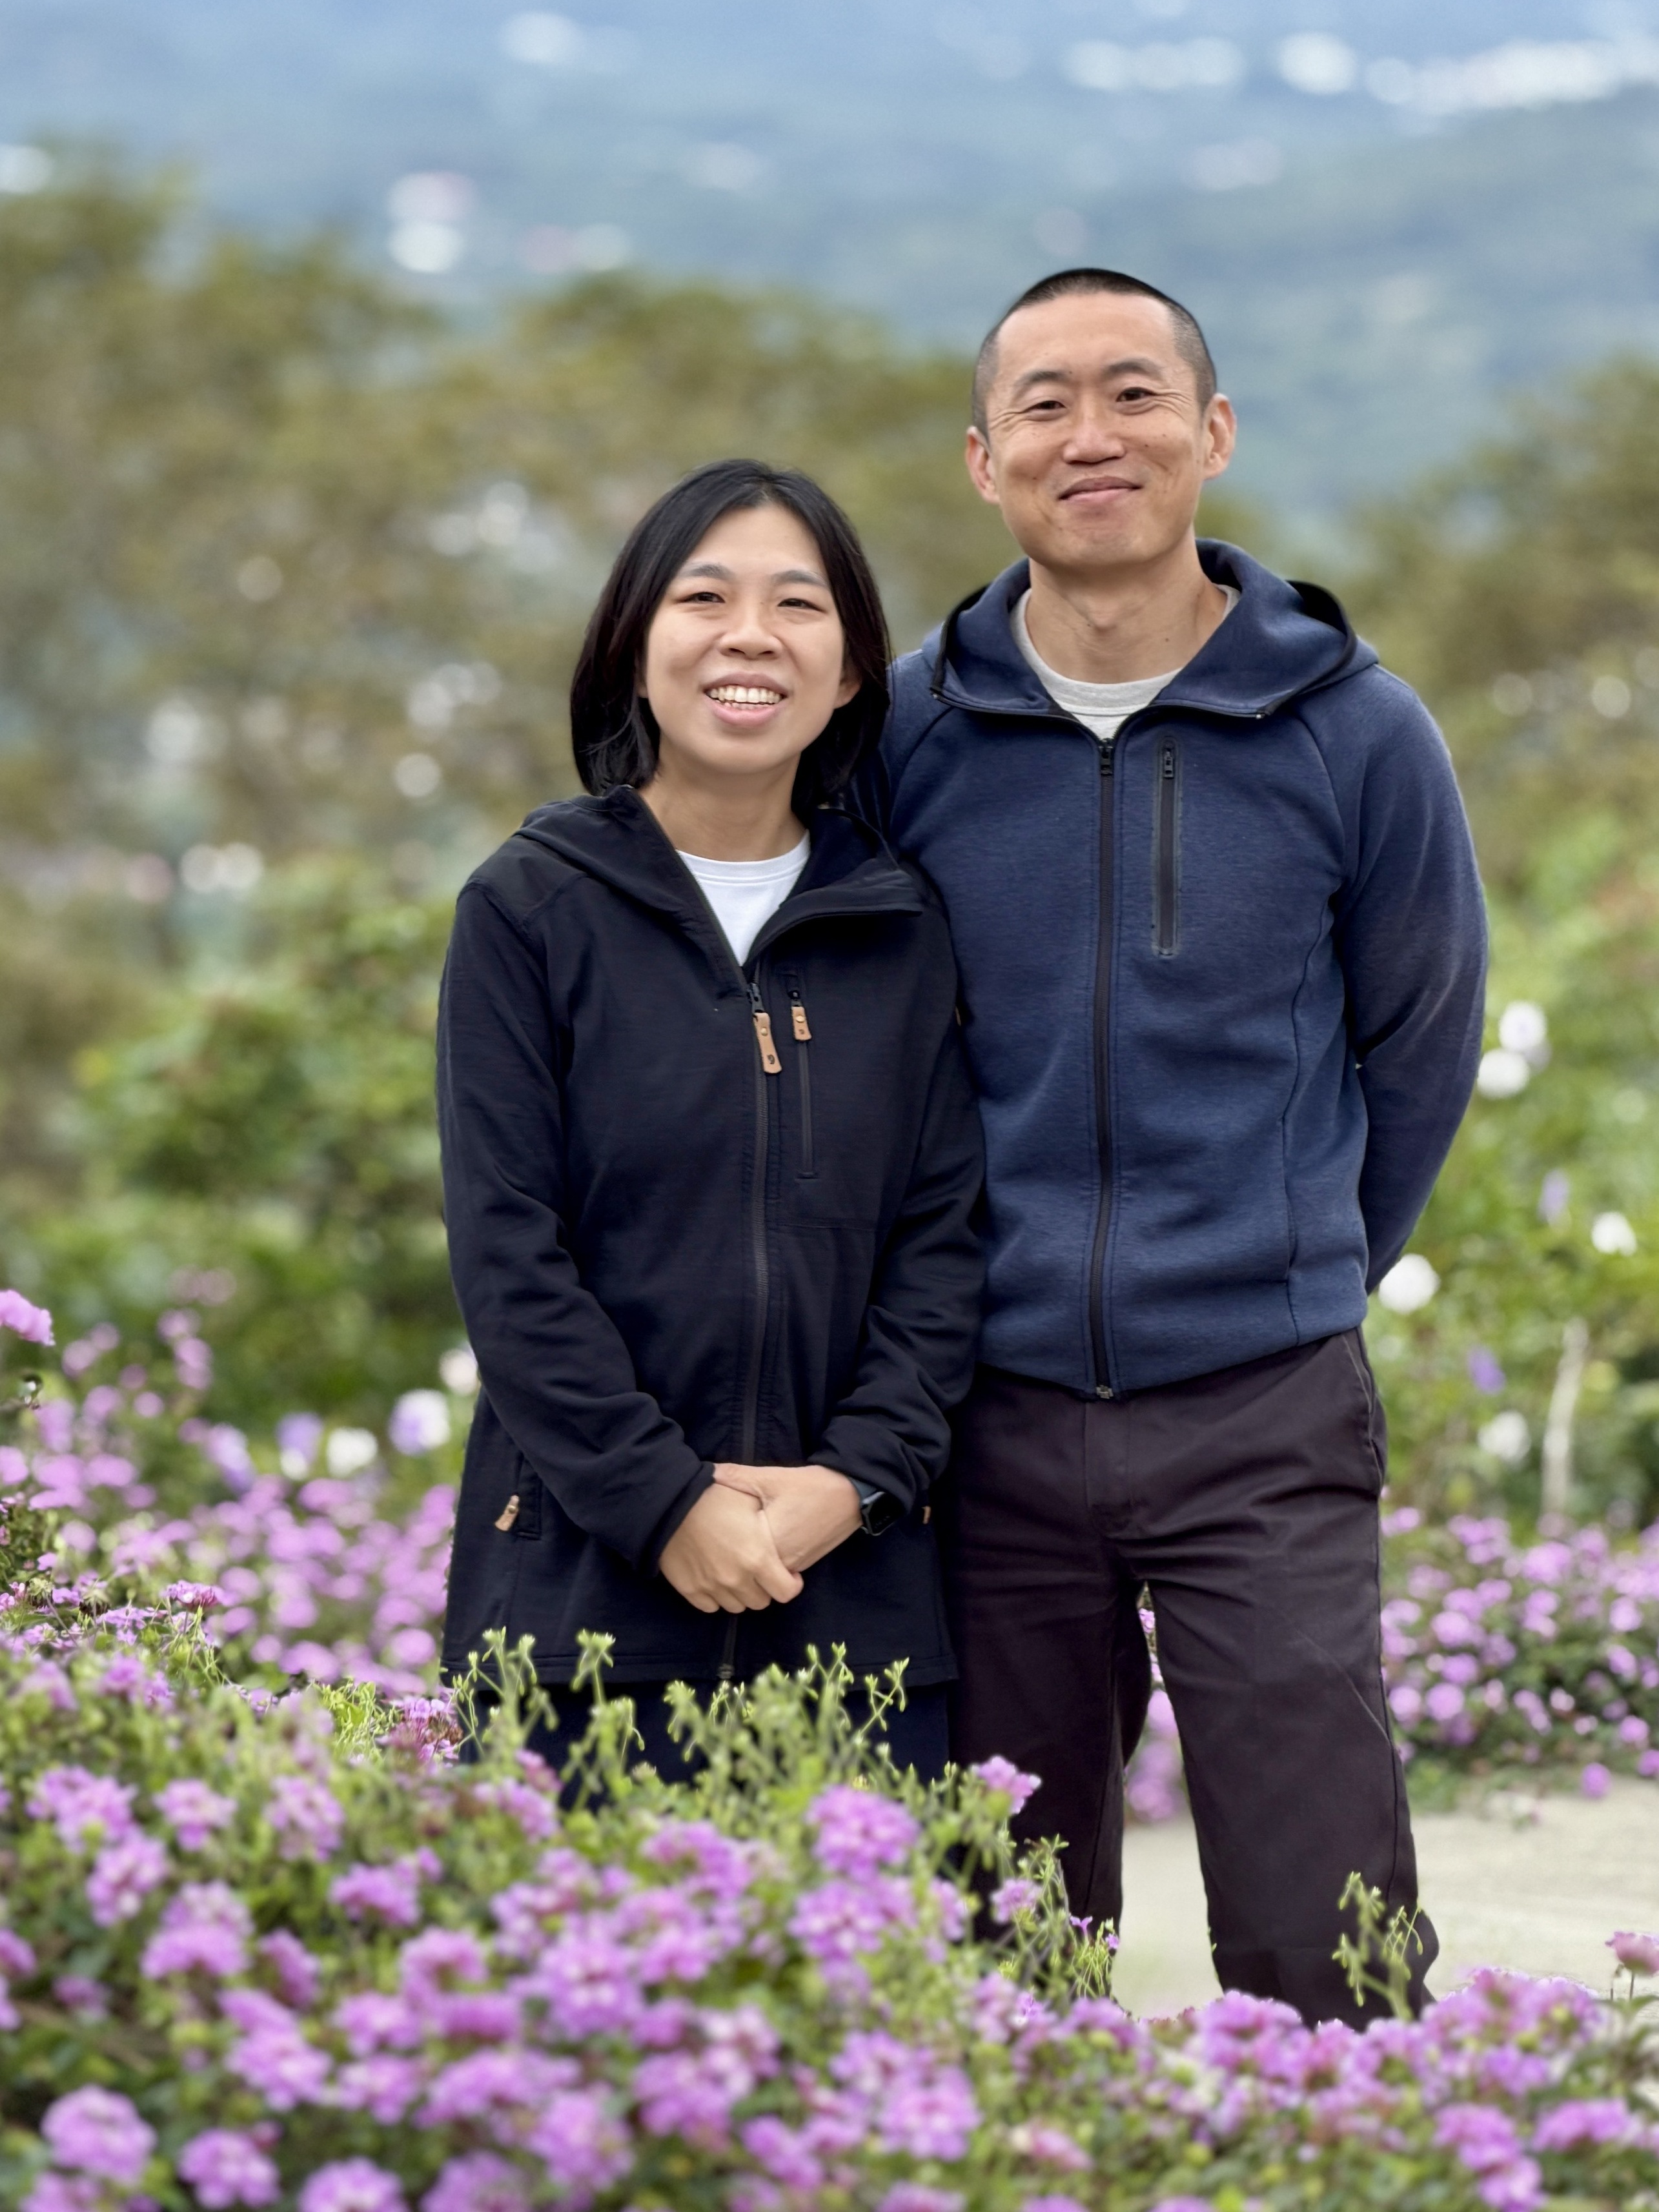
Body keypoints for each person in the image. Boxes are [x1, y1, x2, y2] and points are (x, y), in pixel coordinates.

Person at [864, 269, 1487, 2023]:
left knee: (1323, 1932)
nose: (1093, 435)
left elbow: (1422, 1039)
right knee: (993, 1937)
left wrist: (1285, 1261)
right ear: (982, 459)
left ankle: (1358, 2134)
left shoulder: (1355, 730)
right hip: (978, 1412)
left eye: (1133, 393)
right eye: (1044, 403)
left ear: (1210, 434)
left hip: (1260, 1405)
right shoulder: (903, 735)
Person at [436, 458, 984, 1785]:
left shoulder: (902, 927)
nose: (750, 635)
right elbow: (509, 1260)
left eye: (797, 604)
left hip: (852, 1610)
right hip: (576, 1610)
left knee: (862, 1930)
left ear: (851, 672)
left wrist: (851, 1483)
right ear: (633, 648)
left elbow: (941, 1246)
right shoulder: (527, 909)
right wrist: (666, 1504)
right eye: (703, 598)